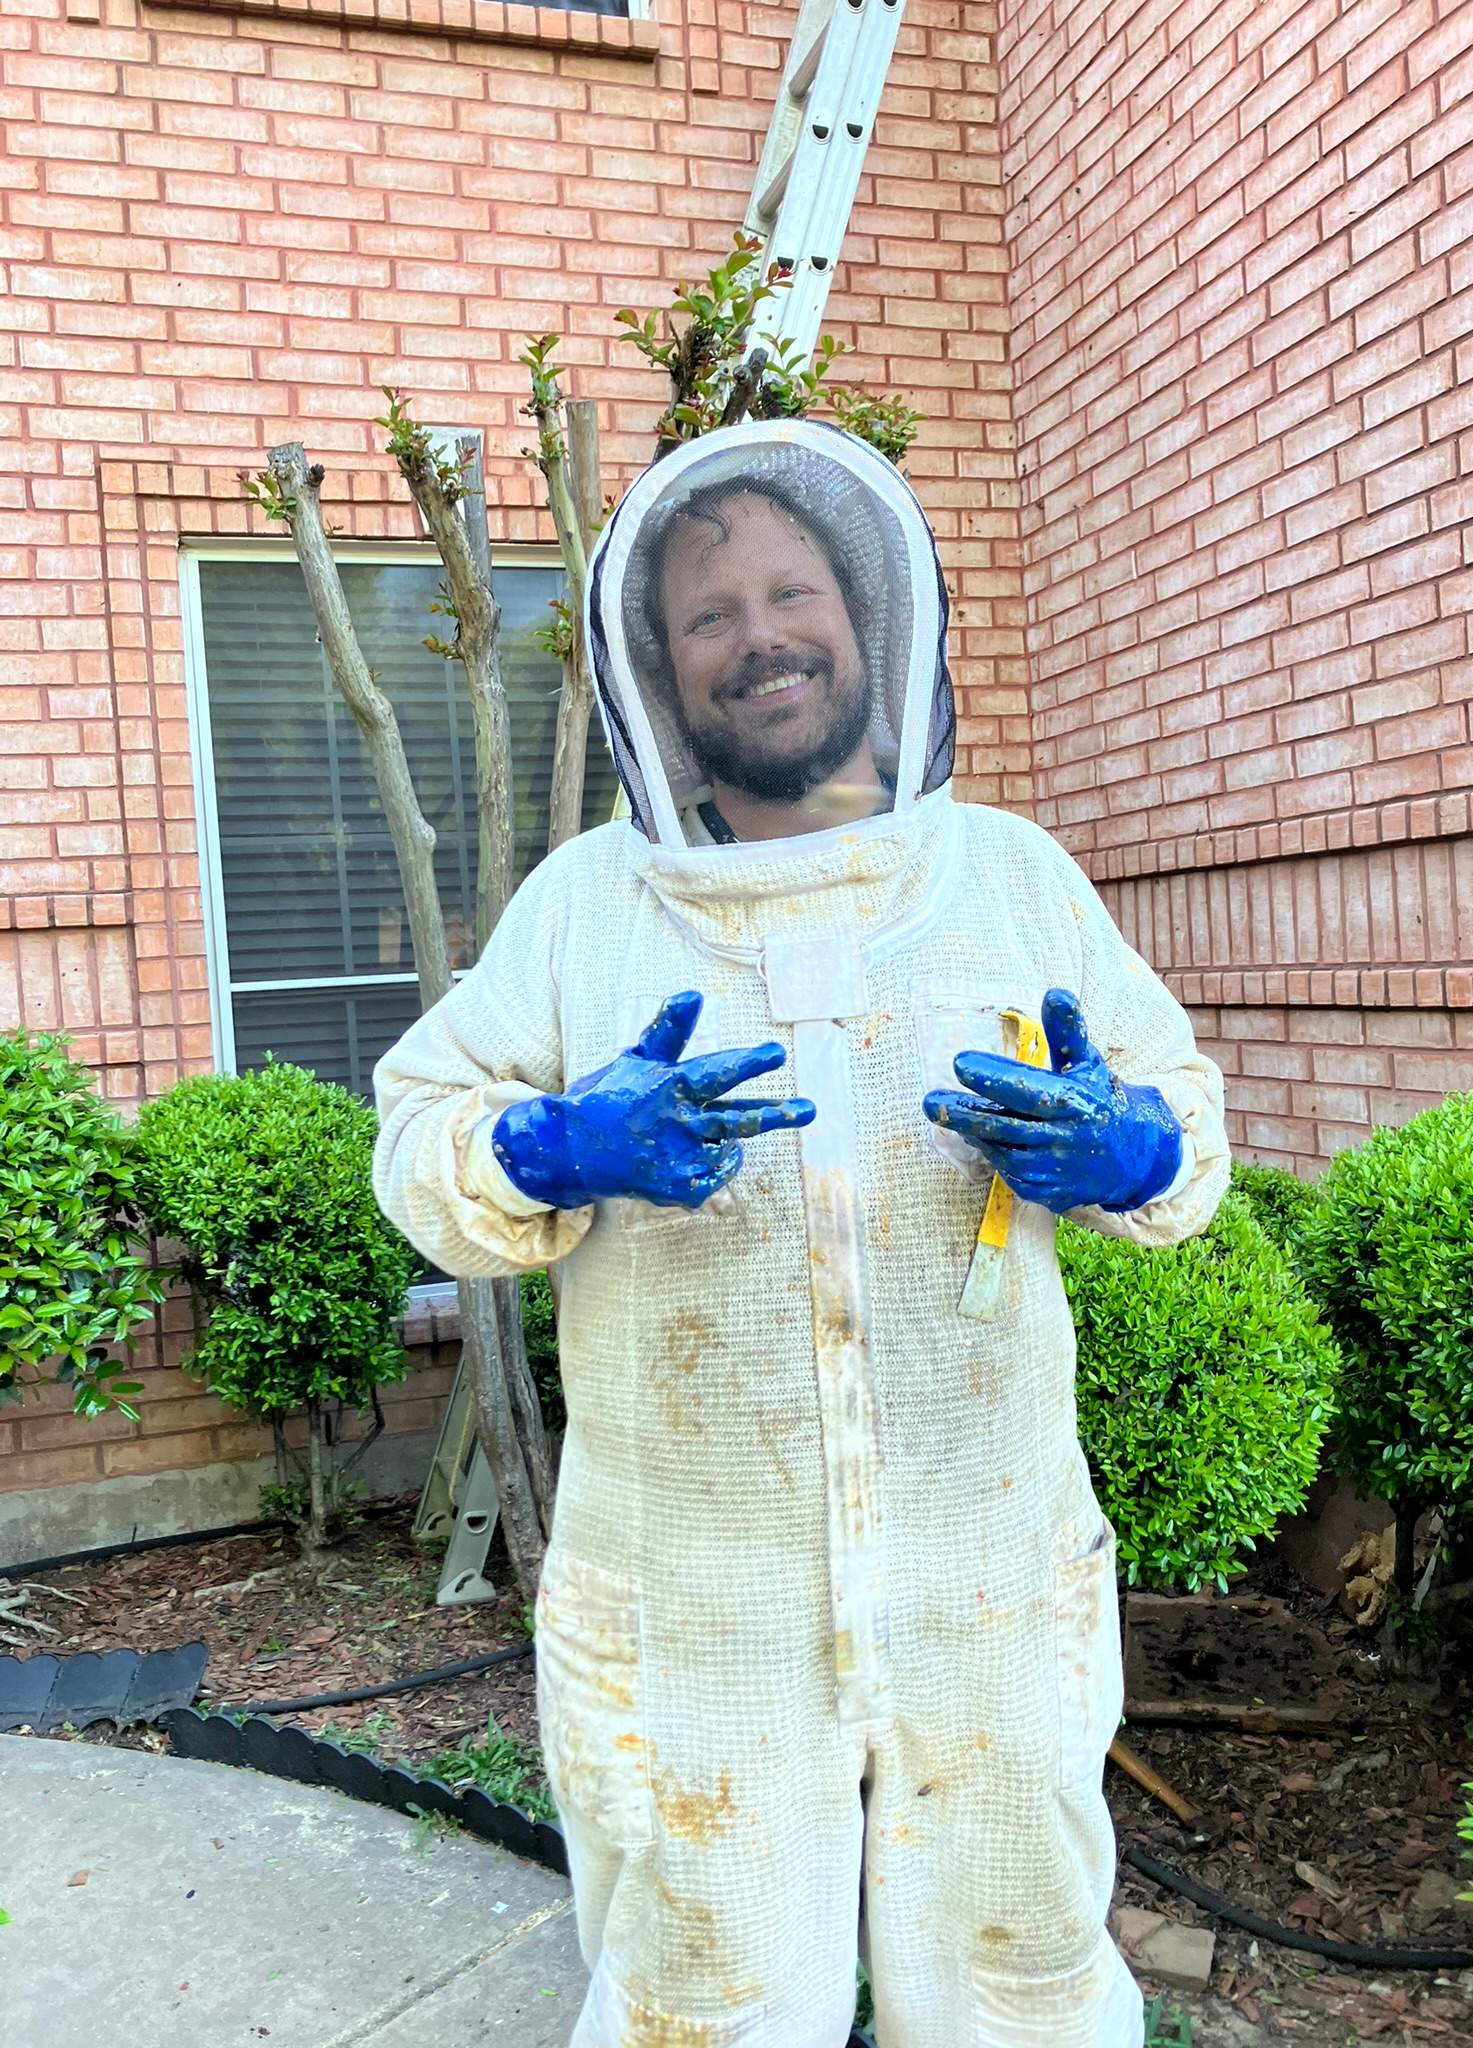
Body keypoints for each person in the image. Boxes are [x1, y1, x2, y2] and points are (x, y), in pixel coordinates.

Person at [372, 419, 1229, 2048]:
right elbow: (417, 1141)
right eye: (708, 614)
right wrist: (552, 1149)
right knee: (696, 2002)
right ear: (659, 667)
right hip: (688, 1612)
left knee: (1020, 1994)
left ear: (869, 617)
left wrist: (1128, 1148)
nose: (759, 635)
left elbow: (1187, 1130)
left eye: (791, 591)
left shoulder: (1012, 882)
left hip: (991, 1588)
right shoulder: (583, 912)